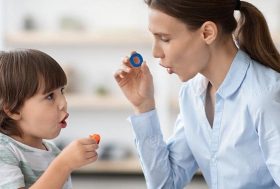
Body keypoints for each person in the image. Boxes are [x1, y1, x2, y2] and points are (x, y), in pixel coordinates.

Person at [114, 0, 280, 188]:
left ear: (207, 33)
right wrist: (144, 106)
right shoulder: (191, 94)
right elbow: (166, 183)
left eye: (165, 39)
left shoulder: (264, 96)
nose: (155, 52)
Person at [0, 49, 99, 189]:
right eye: (49, 96)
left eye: (62, 91)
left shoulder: (53, 151)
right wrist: (64, 165)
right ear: (13, 110)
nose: (63, 103)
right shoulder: (4, 151)